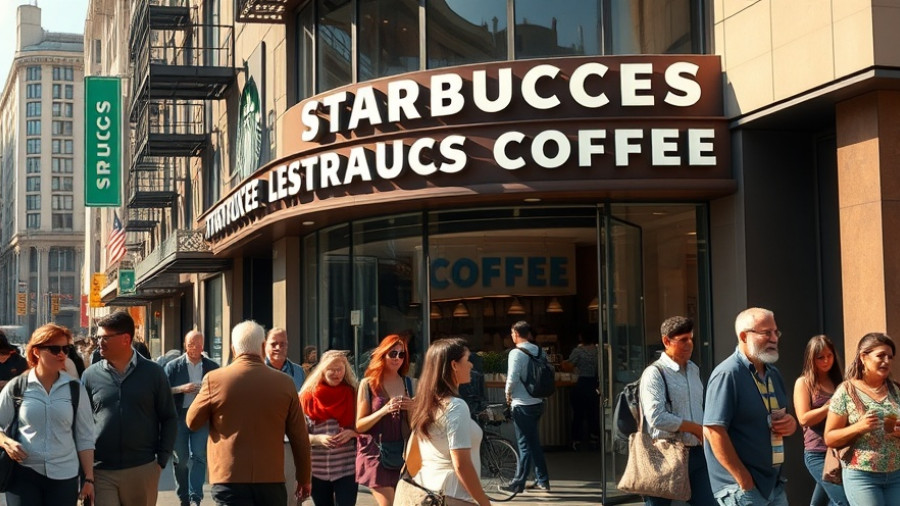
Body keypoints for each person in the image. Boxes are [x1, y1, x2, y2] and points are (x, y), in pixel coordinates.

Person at [186, 320, 312, 506]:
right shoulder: (285, 383)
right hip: (271, 478)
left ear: (233, 348)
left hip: (229, 477)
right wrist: (304, 478)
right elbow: (300, 437)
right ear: (263, 347)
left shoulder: (215, 380)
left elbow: (192, 421)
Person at [82, 310, 178, 506]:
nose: (99, 342)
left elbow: (169, 417)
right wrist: (86, 473)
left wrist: (160, 461)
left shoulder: (154, 373)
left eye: (105, 338)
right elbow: (81, 423)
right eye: (98, 337)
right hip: (102, 471)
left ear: (126, 339)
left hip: (142, 469)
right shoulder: (90, 376)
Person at [703, 307, 798, 506]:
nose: (774, 338)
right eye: (766, 333)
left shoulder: (773, 373)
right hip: (742, 489)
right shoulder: (728, 374)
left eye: (775, 332)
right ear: (744, 336)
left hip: (773, 484)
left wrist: (790, 424)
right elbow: (713, 431)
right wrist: (743, 479)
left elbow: (778, 418)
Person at [0, 323, 95, 506]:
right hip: (23, 475)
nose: (62, 354)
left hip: (64, 476)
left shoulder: (75, 389)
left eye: (66, 349)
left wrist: (89, 479)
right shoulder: (18, 386)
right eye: (54, 349)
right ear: (36, 352)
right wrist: (6, 442)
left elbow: (85, 436)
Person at [639, 316, 714, 506]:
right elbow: (656, 417)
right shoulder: (654, 373)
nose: (689, 344)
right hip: (664, 454)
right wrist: (695, 429)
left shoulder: (694, 370)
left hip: (697, 455)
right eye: (683, 340)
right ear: (666, 341)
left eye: (691, 339)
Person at [408, 337, 492, 506]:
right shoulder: (456, 406)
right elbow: (461, 465)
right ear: (454, 365)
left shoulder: (426, 403)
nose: (471, 365)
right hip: (453, 495)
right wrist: (485, 503)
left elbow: (412, 457)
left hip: (426, 491)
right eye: (467, 360)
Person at [824, 332, 900, 506]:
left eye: (890, 357)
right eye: (880, 355)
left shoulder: (896, 390)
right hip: (862, 476)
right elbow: (830, 437)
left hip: (896, 475)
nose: (886, 361)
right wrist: (860, 427)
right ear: (863, 357)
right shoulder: (846, 391)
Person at [356, 334, 415, 506]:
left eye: (401, 354)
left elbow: (412, 427)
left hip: (401, 453)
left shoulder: (408, 384)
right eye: (393, 354)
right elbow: (359, 425)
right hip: (375, 453)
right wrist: (383, 410)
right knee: (389, 503)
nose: (397, 358)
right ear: (383, 355)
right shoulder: (368, 384)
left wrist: (411, 408)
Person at [165, 330, 220, 506]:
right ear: (185, 345)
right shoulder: (173, 366)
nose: (194, 348)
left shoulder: (212, 367)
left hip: (201, 416)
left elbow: (220, 390)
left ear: (203, 345)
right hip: (180, 416)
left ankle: (195, 496)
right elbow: (163, 392)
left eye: (198, 344)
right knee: (181, 460)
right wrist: (182, 389)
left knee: (199, 456)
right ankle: (183, 496)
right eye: (190, 344)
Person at [793, 335, 848, 506]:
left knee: (823, 502)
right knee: (843, 501)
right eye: (820, 357)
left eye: (829, 356)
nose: (826, 361)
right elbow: (803, 419)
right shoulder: (804, 383)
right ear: (812, 359)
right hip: (816, 452)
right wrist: (829, 406)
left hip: (839, 451)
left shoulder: (840, 382)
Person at [299, 350, 358, 506]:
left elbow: (365, 427)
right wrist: (317, 439)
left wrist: (353, 433)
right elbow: (297, 435)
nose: (336, 373)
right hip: (316, 472)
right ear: (322, 369)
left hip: (347, 469)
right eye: (331, 368)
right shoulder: (306, 396)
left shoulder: (354, 394)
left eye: (340, 369)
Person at [502, 320, 550, 493]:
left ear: (515, 334)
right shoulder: (539, 351)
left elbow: (512, 378)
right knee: (533, 442)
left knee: (524, 444)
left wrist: (507, 395)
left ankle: (518, 483)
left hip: (522, 405)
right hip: (538, 403)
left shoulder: (516, 353)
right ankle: (542, 479)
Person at [265, 327, 307, 505]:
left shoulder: (298, 372)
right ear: (265, 345)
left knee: (292, 494)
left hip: (291, 439)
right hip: (264, 441)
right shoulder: (257, 370)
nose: (278, 348)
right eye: (273, 344)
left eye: (282, 344)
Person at [564, 331, 600, 450]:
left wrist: (562, 363)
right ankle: (594, 438)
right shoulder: (598, 351)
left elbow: (569, 366)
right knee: (593, 412)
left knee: (578, 413)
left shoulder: (578, 351)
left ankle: (577, 440)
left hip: (581, 383)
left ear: (581, 337)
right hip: (594, 383)